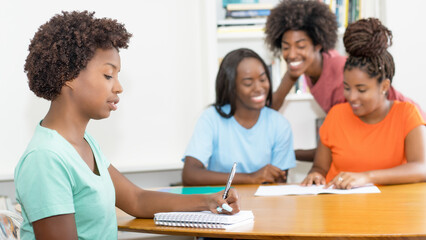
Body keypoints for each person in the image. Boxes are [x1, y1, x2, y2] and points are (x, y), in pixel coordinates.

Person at [14, 11, 240, 240]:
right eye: (108, 75)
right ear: (68, 76)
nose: (119, 87)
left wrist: (209, 200)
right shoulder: (46, 159)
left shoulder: (84, 144)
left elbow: (136, 199)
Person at [264, 0, 425, 161]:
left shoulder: (342, 77)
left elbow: (340, 146)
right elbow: (270, 109)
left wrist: (288, 154)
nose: (291, 54)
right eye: (286, 47)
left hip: (411, 133)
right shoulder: (307, 65)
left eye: (300, 46)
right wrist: (290, 77)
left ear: (318, 44)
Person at [301, 18, 426, 189]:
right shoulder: (336, 115)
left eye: (361, 90)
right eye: (346, 87)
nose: (351, 97)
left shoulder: (407, 114)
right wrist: (315, 175)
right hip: (338, 208)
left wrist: (367, 176)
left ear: (384, 86)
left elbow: (421, 168)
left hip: (389, 209)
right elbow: (319, 167)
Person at [182, 48, 296, 186]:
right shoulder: (211, 118)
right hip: (221, 204)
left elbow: (279, 181)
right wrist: (250, 178)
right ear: (231, 86)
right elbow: (190, 174)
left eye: (263, 79)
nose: (259, 87)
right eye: (248, 83)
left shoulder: (280, 124)